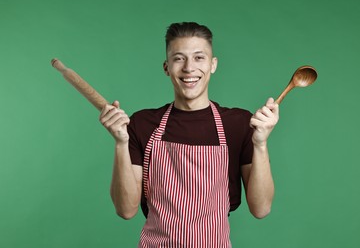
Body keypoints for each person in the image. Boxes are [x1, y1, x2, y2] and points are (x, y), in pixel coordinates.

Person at [99, 22, 279, 247]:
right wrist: (120, 143)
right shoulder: (143, 124)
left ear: (213, 65)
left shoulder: (239, 124)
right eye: (179, 58)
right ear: (166, 67)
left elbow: (261, 209)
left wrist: (261, 144)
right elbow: (126, 210)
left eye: (199, 57)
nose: (189, 68)